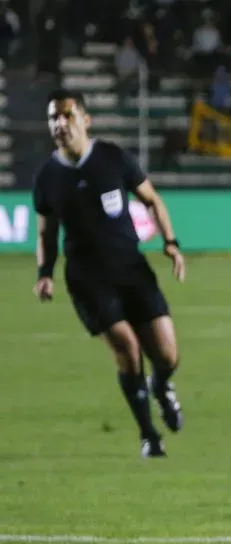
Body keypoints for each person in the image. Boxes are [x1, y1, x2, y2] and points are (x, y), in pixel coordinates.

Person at [32, 89, 186, 458]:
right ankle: (149, 435)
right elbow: (46, 232)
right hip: (87, 280)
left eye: (67, 115)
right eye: (53, 117)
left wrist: (171, 242)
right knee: (128, 350)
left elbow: (152, 200)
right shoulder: (47, 177)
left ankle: (161, 386)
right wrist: (45, 272)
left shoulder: (113, 158)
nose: (60, 123)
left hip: (131, 270)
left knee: (167, 356)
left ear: (85, 120)